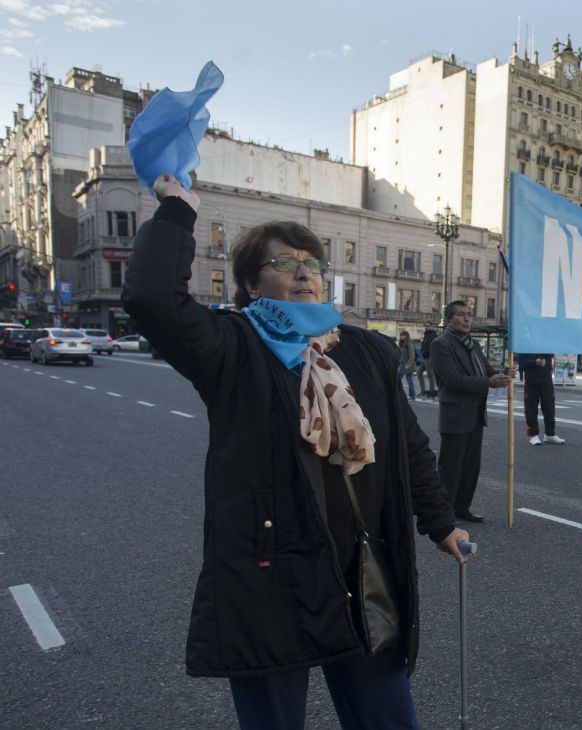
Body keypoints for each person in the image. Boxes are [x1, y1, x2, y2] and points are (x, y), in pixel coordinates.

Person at [123, 174, 469, 729]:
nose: (304, 271)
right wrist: (176, 212)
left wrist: (440, 522)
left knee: (387, 719)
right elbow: (149, 297)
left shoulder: (365, 350)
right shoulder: (231, 347)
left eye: (311, 263)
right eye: (283, 263)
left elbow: (407, 445)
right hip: (272, 575)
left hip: (360, 564)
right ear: (251, 285)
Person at [431, 300, 516, 523]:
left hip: (476, 414)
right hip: (456, 414)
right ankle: (443, 512)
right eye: (461, 314)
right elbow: (452, 380)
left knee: (471, 467)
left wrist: (504, 372)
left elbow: (487, 371)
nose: (467, 318)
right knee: (451, 467)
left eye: (469, 314)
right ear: (449, 319)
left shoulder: (472, 344)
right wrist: (489, 381)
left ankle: (462, 508)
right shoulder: (441, 344)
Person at [517, 352, 565, 446]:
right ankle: (533, 435)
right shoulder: (525, 345)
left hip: (546, 380)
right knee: (531, 410)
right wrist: (535, 362)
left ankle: (550, 434)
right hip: (531, 382)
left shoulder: (545, 343)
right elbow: (521, 363)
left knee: (549, 408)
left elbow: (552, 353)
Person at [396, 330, 419, 399]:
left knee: (409, 380)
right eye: (401, 335)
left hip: (408, 365)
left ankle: (412, 395)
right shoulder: (401, 344)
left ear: (406, 336)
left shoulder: (409, 344)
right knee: (397, 379)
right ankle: (397, 393)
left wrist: (408, 364)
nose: (402, 336)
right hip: (402, 364)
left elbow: (412, 356)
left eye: (403, 335)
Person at [420, 321, 439, 398]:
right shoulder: (426, 335)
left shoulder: (433, 335)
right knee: (419, 372)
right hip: (425, 358)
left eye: (428, 326)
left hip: (429, 358)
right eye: (425, 326)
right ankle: (423, 391)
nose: (426, 327)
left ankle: (431, 393)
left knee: (430, 376)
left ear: (432, 326)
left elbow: (432, 347)